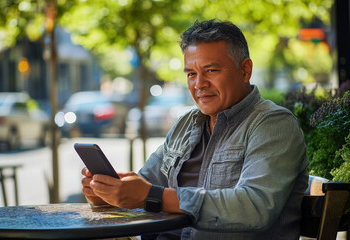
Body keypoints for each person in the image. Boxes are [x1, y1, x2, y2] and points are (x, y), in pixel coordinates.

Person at [81, 19, 309, 240]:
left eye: (211, 70)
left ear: (245, 70)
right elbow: (143, 188)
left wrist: (151, 195)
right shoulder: (186, 124)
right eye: (191, 73)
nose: (199, 83)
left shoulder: (273, 124)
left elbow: (255, 206)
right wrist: (108, 194)